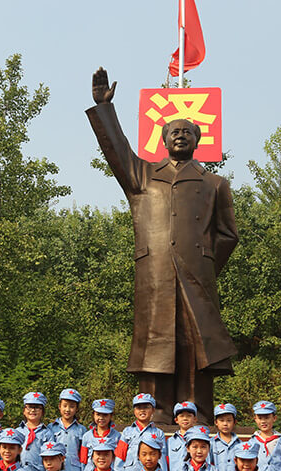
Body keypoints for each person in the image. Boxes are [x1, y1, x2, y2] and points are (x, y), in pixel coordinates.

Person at [87, 67, 239, 421]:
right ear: (164, 139)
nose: (181, 136)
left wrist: (203, 262)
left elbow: (228, 234)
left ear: (198, 140)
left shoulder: (214, 183)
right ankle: (154, 411)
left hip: (197, 274)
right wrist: (104, 108)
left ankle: (197, 412)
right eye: (175, 132)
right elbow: (116, 150)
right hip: (154, 272)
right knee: (157, 340)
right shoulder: (142, 176)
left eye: (188, 132)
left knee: (195, 343)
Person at [119, 393, 165, 471]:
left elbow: (162, 459)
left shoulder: (158, 433)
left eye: (146, 407)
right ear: (134, 411)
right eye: (138, 407)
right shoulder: (127, 432)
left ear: (153, 410)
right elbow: (120, 457)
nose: (142, 410)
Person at [79, 399, 128, 471]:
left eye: (105, 415)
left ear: (111, 415)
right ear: (93, 415)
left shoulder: (117, 436)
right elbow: (83, 460)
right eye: (98, 414)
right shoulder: (87, 436)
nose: (101, 418)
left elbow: (120, 460)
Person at [247, 401, 281, 471]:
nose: (263, 421)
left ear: (274, 418)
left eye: (267, 417)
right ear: (255, 419)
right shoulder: (252, 442)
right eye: (260, 418)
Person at [49, 388, 86, 471]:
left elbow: (83, 454)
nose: (67, 410)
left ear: (77, 409)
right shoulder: (51, 428)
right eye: (64, 406)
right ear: (59, 406)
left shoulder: (81, 430)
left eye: (72, 406)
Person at [165, 401, 197, 471]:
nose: (185, 418)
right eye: (181, 416)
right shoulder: (170, 441)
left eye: (189, 416)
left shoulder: (201, 440)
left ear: (195, 419)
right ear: (176, 420)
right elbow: (166, 462)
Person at [209, 402, 241, 471]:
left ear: (234, 422)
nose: (225, 424)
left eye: (229, 420)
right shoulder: (211, 444)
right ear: (216, 422)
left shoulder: (240, 444)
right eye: (221, 420)